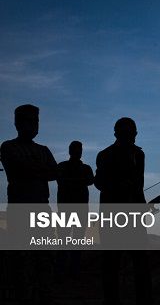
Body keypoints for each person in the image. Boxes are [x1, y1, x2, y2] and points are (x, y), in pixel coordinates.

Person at [0, 104, 57, 303]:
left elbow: (53, 172)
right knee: (21, 262)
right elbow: (20, 169)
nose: (33, 125)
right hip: (20, 211)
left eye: (36, 121)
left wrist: (34, 169)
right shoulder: (8, 147)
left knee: (44, 260)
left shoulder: (43, 149)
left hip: (42, 210)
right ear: (18, 123)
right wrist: (38, 169)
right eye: (29, 121)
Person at [95, 117, 152, 305]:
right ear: (118, 134)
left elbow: (138, 186)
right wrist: (118, 186)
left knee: (140, 262)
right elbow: (100, 183)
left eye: (134, 132)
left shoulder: (139, 154)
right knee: (112, 262)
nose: (134, 136)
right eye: (130, 133)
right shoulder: (105, 155)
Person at [56, 140, 94, 276]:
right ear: (71, 151)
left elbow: (90, 180)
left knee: (74, 239)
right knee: (65, 239)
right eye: (76, 149)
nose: (78, 152)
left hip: (77, 209)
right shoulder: (65, 167)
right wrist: (78, 181)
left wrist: (71, 180)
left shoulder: (83, 168)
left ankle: (71, 270)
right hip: (68, 210)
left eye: (79, 149)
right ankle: (65, 270)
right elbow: (88, 180)